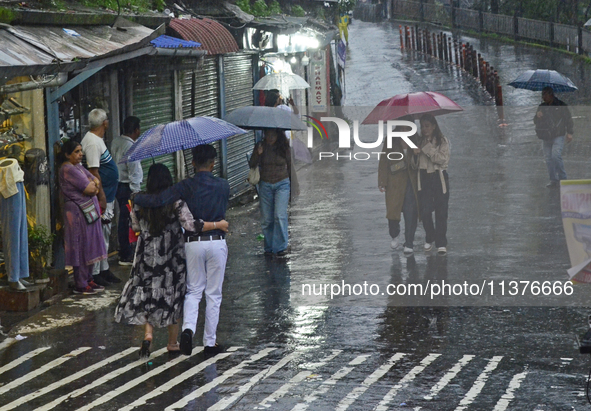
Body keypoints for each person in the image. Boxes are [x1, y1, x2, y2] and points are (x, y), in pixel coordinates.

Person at [114, 164, 228, 357]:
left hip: (146, 254)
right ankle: (172, 342)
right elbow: (191, 225)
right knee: (173, 295)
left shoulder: (139, 201)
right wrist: (217, 224)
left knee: (149, 294)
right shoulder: (175, 201)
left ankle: (148, 336)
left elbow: (135, 227)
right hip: (171, 254)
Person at [58, 140, 107, 295]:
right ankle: (81, 282)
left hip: (88, 212)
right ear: (67, 154)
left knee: (90, 244)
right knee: (81, 246)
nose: (80, 154)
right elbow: (90, 187)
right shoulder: (67, 169)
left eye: (80, 151)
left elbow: (95, 180)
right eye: (76, 152)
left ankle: (88, 278)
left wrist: (94, 185)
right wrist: (92, 186)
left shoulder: (77, 167)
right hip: (78, 214)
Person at [81, 108, 121, 286]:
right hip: (102, 197)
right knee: (100, 234)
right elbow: (93, 172)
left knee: (105, 234)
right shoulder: (91, 143)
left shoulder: (97, 140)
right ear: (104, 123)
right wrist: (101, 196)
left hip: (109, 195)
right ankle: (96, 272)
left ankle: (103, 269)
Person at [249, 125, 299, 257]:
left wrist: (294, 186)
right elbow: (252, 164)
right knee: (267, 219)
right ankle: (269, 247)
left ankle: (281, 247)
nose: (270, 138)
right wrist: (258, 154)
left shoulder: (284, 146)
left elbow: (290, 166)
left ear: (278, 135)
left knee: (279, 216)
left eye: (273, 135)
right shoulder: (260, 145)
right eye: (268, 135)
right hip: (265, 185)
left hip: (282, 183)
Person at [378, 125, 419, 254]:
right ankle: (394, 235)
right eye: (402, 128)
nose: (404, 130)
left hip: (411, 182)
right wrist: (382, 181)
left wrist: (417, 154)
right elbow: (384, 161)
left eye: (407, 128)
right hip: (394, 182)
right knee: (393, 212)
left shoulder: (416, 140)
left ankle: (409, 242)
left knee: (410, 212)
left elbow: (422, 161)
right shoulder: (391, 139)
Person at [416, 114, 450, 255]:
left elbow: (442, 160)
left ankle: (441, 242)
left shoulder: (442, 141)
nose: (424, 129)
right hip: (423, 178)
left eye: (427, 126)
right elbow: (413, 164)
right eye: (422, 126)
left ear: (434, 126)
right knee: (425, 211)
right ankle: (430, 236)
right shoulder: (418, 141)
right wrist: (415, 154)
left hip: (439, 177)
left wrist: (427, 149)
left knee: (441, 211)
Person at [111, 116, 143, 266]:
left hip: (118, 184)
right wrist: (136, 192)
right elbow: (134, 172)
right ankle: (126, 254)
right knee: (128, 220)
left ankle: (123, 250)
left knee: (123, 219)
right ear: (136, 130)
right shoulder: (132, 147)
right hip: (127, 187)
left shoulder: (116, 141)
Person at [533, 86, 574, 188]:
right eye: (542, 95)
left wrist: (569, 132)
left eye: (545, 94)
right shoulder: (541, 106)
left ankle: (563, 178)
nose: (543, 97)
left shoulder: (561, 105)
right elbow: (535, 121)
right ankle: (553, 180)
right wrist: (537, 116)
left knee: (556, 156)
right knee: (548, 158)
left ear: (551, 94)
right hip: (545, 136)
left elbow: (568, 119)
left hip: (558, 135)